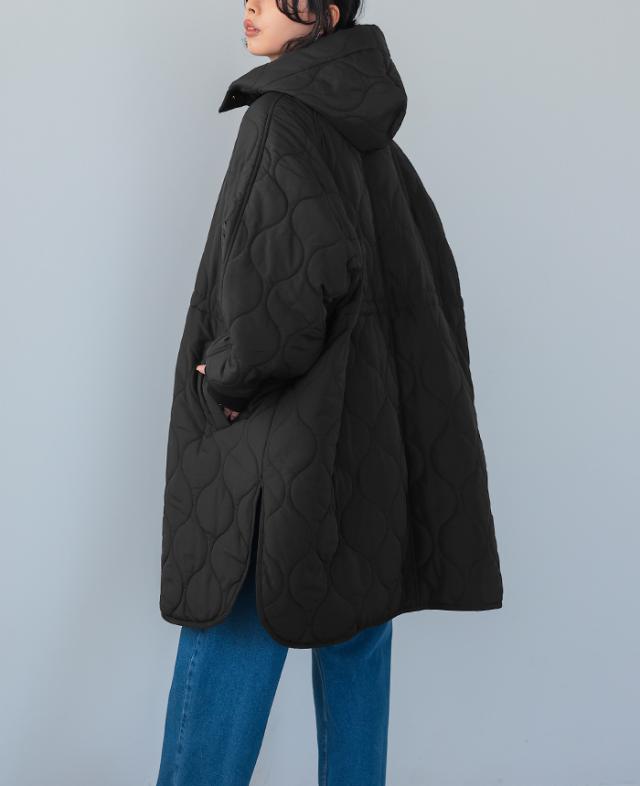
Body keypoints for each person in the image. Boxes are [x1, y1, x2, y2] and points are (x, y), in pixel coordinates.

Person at [156, 2, 504, 784]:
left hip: (288, 447)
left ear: (327, 12)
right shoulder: (369, 131)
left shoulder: (283, 115)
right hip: (369, 447)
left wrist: (230, 376)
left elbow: (283, 290)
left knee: (235, 621)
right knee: (356, 636)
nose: (252, 6)